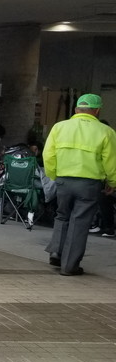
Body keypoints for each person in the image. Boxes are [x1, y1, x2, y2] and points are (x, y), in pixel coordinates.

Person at [43, 93, 116, 276]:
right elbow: (111, 162)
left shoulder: (59, 127)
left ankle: (56, 253)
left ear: (76, 109)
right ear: (97, 111)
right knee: (80, 221)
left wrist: (54, 175)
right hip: (89, 184)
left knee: (62, 215)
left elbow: (48, 155)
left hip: (63, 180)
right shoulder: (106, 132)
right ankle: (69, 266)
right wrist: (112, 182)